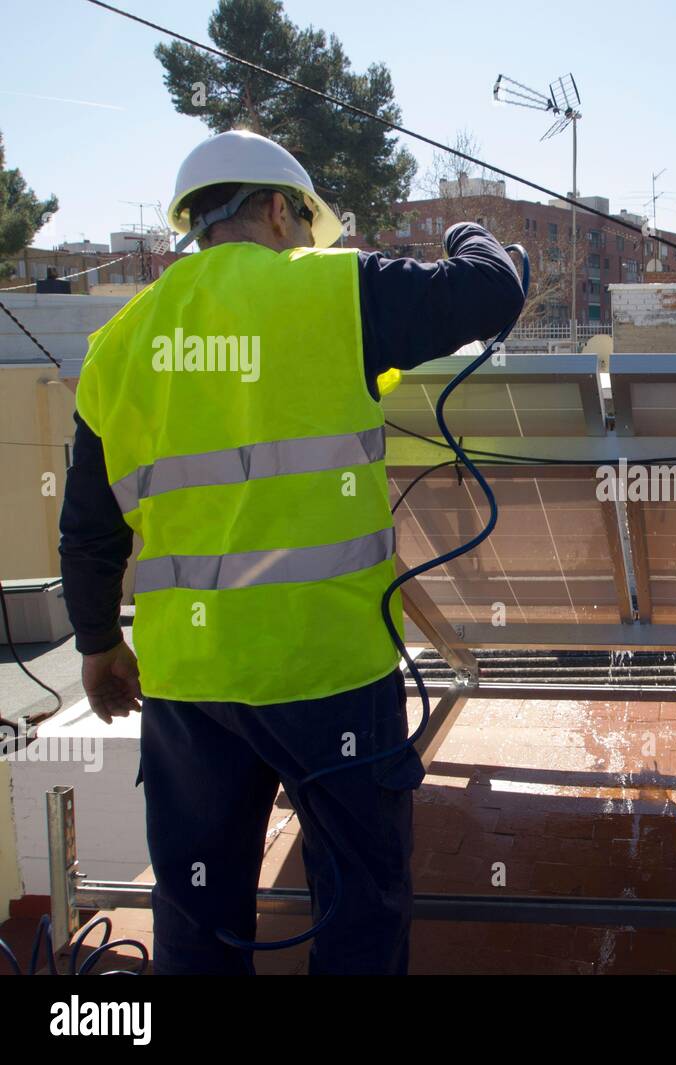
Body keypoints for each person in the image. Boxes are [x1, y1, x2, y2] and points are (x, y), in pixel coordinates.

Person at [58, 129, 524, 974]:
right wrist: (469, 235)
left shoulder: (118, 344)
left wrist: (97, 645)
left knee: (198, 912)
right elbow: (492, 292)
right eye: (305, 226)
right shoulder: (336, 290)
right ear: (279, 209)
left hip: (188, 687)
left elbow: (89, 528)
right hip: (328, 675)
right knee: (361, 902)